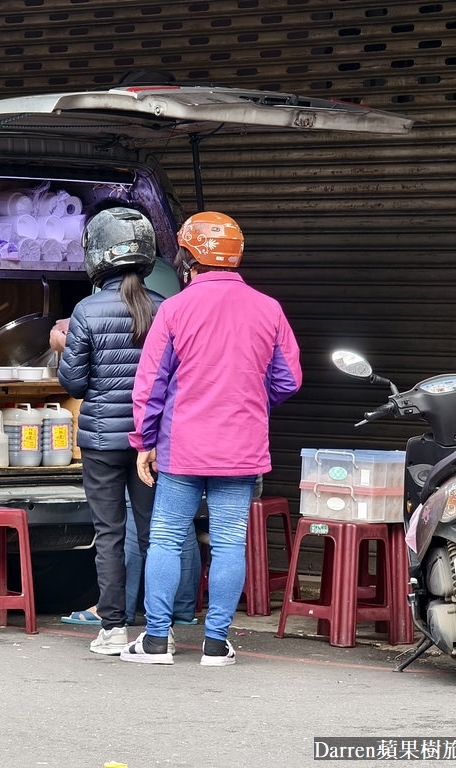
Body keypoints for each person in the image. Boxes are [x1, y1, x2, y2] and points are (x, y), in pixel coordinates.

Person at [121, 211, 301, 666]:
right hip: (241, 448)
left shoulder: (175, 309)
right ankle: (216, 643)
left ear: (189, 257)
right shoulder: (268, 308)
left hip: (182, 447)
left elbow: (150, 384)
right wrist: (248, 401)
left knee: (164, 538)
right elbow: (289, 379)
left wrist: (144, 441)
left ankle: (157, 641)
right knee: (228, 542)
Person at [54, 206, 164, 656]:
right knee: (157, 532)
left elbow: (74, 382)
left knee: (110, 534)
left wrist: (65, 350)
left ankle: (113, 627)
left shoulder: (86, 310)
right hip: (153, 442)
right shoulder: (166, 308)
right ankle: (160, 628)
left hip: (101, 441)